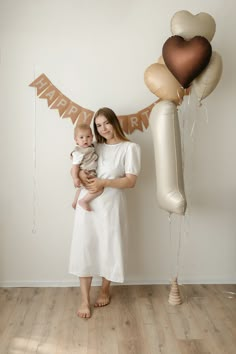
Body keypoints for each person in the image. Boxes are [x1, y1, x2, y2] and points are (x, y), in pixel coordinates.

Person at [68, 107, 141, 318]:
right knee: (85, 247)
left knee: (109, 247)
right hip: (87, 205)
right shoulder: (93, 145)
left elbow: (131, 181)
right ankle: (84, 299)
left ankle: (105, 289)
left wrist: (103, 182)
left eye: (106, 123)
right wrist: (80, 174)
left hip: (111, 205)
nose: (103, 128)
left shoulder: (130, 148)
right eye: (98, 125)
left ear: (114, 122)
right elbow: (75, 162)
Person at [71, 123, 103, 211]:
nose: (85, 139)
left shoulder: (91, 147)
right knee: (99, 189)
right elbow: (75, 167)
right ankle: (84, 201)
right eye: (81, 137)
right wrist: (75, 178)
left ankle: (75, 202)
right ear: (76, 140)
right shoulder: (78, 152)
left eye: (88, 136)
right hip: (88, 173)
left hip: (90, 172)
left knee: (81, 189)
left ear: (92, 137)